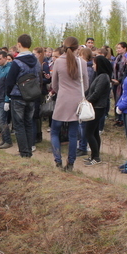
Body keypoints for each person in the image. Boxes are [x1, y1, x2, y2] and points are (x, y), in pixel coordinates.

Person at [49, 36, 88, 170]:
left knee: (55, 131)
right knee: (73, 134)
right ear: (78, 48)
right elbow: (86, 85)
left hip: (62, 100)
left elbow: (54, 84)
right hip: (77, 101)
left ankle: (58, 160)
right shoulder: (82, 62)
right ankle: (70, 163)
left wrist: (62, 92)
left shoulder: (58, 62)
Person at [5, 34, 42, 158]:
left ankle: (24, 152)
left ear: (19, 45)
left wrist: (8, 94)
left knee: (19, 125)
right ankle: (29, 151)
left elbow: (10, 81)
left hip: (18, 96)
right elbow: (39, 77)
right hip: (32, 95)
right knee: (28, 123)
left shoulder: (17, 62)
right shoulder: (36, 61)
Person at [84, 55, 112, 165]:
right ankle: (95, 155)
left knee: (89, 133)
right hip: (95, 107)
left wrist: (85, 102)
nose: (93, 66)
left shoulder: (103, 77)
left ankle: (95, 157)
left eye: (95, 64)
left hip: (97, 108)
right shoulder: (100, 76)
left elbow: (96, 93)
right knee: (94, 132)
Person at [0, 50, 12, 149]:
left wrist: (7, 100)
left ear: (5, 58)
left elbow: (8, 86)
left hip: (4, 99)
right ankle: (4, 140)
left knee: (3, 120)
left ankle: (8, 141)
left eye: (0, 59)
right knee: (0, 120)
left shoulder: (9, 69)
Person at [112, 42, 127, 126]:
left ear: (125, 48)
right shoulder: (117, 58)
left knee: (122, 100)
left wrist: (120, 80)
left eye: (119, 48)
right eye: (117, 48)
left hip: (122, 82)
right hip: (115, 82)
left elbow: (126, 72)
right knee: (116, 100)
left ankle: (122, 118)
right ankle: (117, 118)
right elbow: (114, 69)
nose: (118, 50)